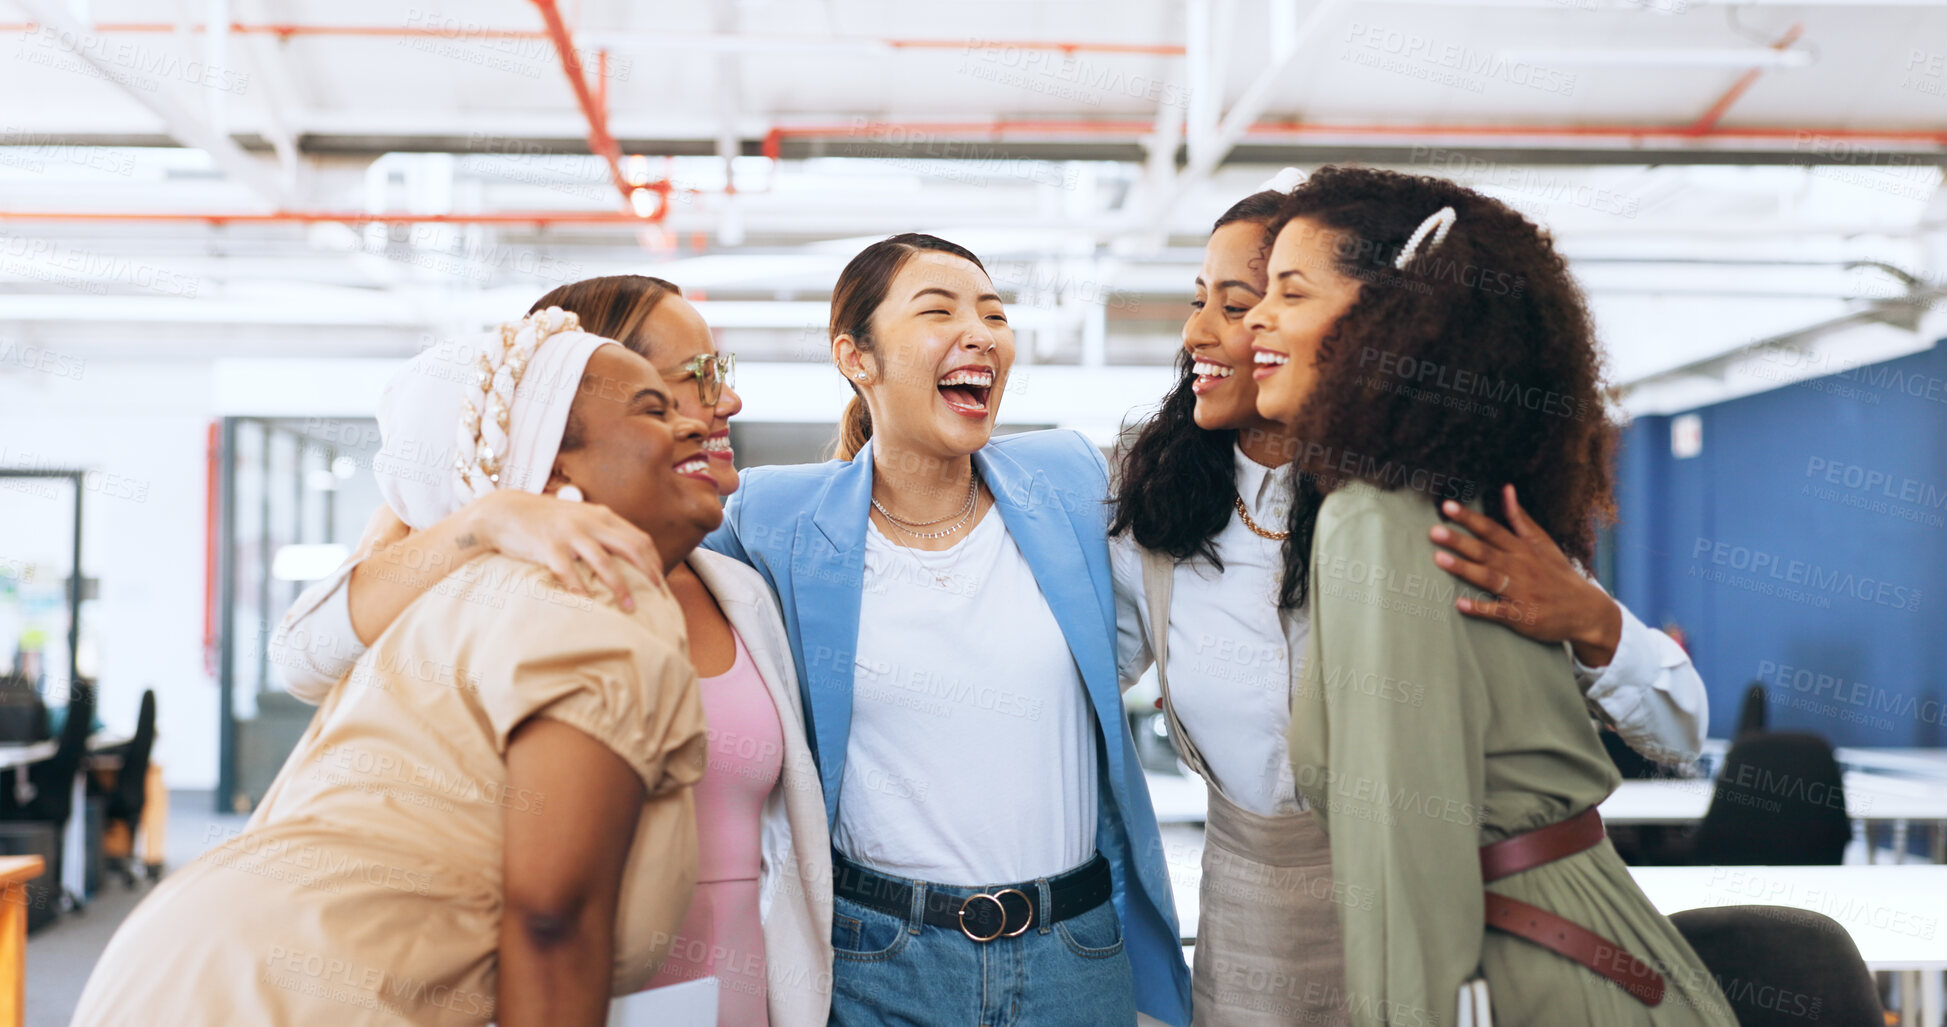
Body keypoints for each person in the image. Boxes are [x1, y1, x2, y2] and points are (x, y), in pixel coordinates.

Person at [1109, 184, 1712, 1024]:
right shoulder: (1158, 522)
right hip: (1259, 934)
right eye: (1201, 301)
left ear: (1380, 321)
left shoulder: (1429, 512)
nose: (1216, 330)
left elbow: (1676, 726)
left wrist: (1591, 619)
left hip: (1441, 931)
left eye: (1262, 298)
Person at [73, 309, 721, 1026]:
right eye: (656, 407)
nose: (698, 421)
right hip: (288, 992)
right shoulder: (598, 590)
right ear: (554, 463)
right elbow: (553, 919)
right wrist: (493, 510)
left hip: (190, 963)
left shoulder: (453, 594)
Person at [267, 277, 832, 1027]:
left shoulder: (734, 587)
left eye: (718, 374)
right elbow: (306, 650)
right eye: (684, 386)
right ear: (576, 417)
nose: (722, 403)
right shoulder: (495, 589)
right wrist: (490, 515)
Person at [704, 234, 1193, 1026]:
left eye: (993, 314)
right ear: (855, 357)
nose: (980, 332)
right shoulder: (776, 517)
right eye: (939, 310)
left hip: (1072, 952)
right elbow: (637, 557)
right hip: (879, 958)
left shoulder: (1068, 481)